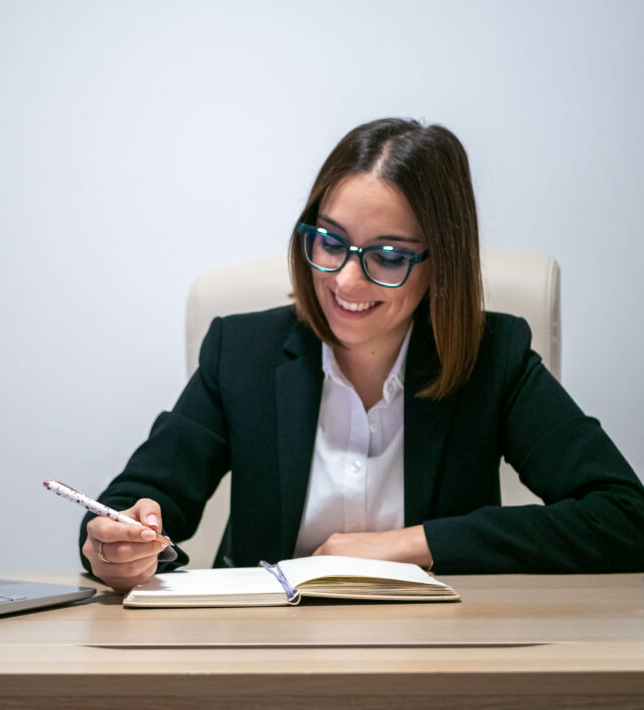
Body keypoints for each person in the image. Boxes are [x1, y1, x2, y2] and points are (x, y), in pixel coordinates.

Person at [79, 118, 644, 591]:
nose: (347, 281)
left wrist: (409, 545)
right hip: (264, 659)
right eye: (330, 241)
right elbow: (130, 503)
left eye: (389, 255)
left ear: (440, 264)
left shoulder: (493, 358)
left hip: (440, 659)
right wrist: (113, 544)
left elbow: (626, 517)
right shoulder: (241, 353)